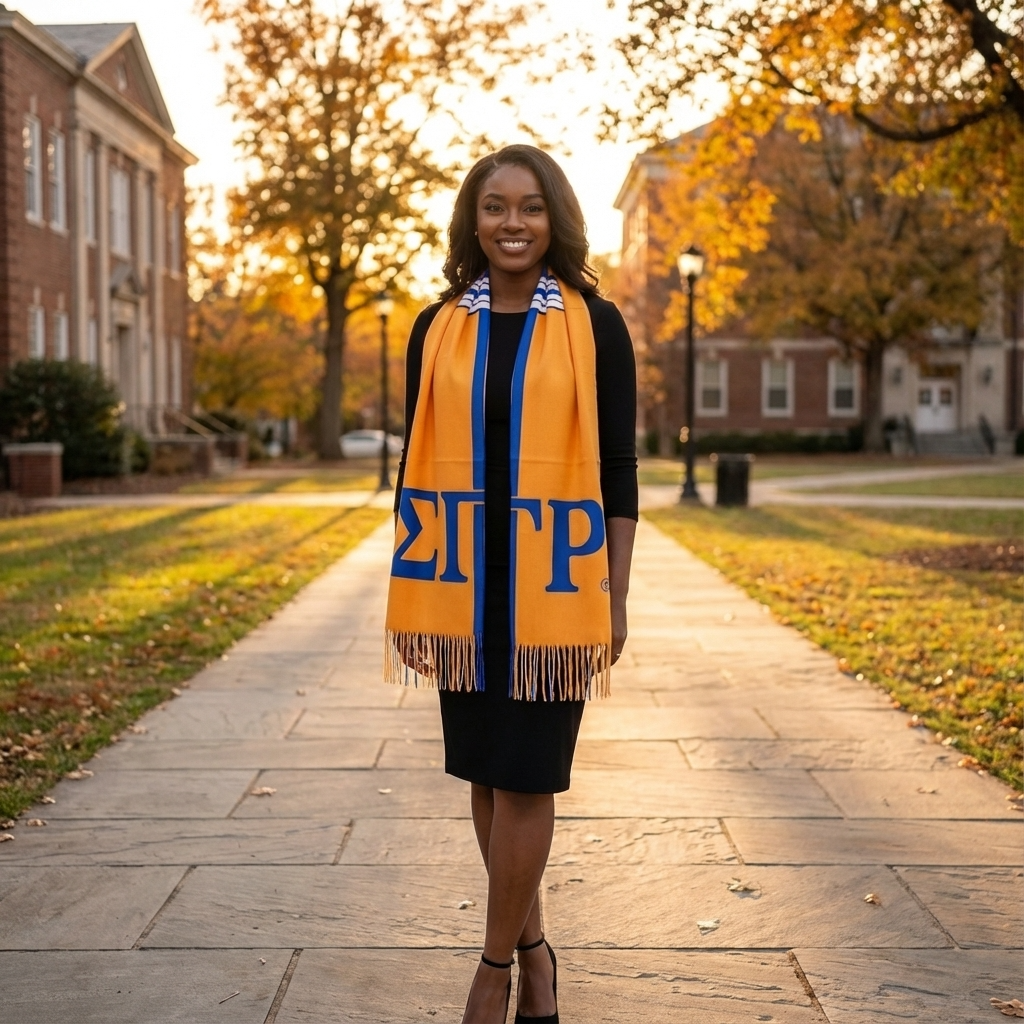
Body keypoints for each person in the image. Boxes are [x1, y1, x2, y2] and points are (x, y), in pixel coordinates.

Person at [386, 144, 637, 1024]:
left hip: (555, 586)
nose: (513, 224)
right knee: (487, 779)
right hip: (460, 583)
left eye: (531, 208)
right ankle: (537, 954)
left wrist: (617, 591)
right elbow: (414, 462)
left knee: (531, 778)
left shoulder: (595, 324)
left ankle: (493, 970)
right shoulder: (436, 325)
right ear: (473, 220)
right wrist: (411, 585)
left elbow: (617, 467)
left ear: (555, 219)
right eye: (495, 207)